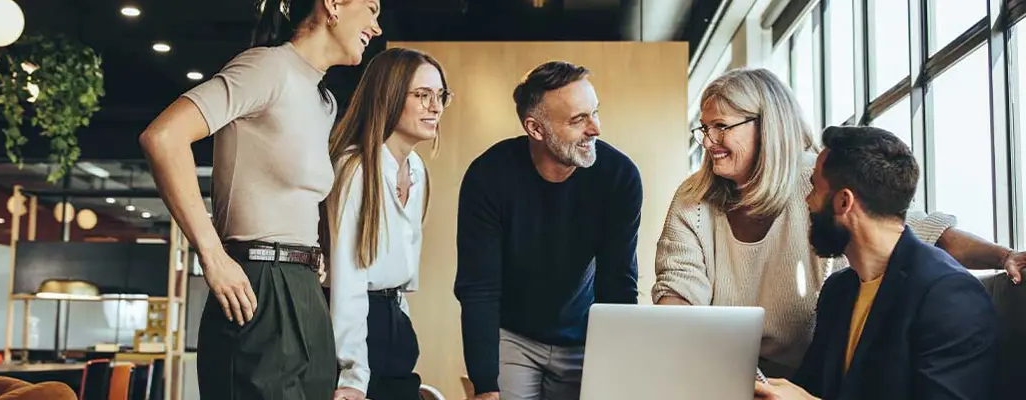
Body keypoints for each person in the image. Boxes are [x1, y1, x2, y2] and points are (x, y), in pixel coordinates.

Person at [653, 67, 1022, 379]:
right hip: (723, 371)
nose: (708, 141)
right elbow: (678, 292)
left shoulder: (816, 181)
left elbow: (916, 231)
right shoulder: (694, 198)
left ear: (766, 126)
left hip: (814, 376)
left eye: (720, 127)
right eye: (703, 128)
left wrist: (1004, 255)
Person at [137, 0, 382, 398]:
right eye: (371, 8)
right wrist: (213, 256)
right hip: (257, 285)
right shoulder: (267, 67)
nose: (376, 25)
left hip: (305, 288)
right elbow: (163, 138)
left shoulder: (325, 102)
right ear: (333, 5)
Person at [753, 125, 998, 400]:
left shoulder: (949, 296)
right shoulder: (839, 291)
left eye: (814, 188)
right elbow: (812, 389)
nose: (807, 201)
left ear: (844, 201)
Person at [454, 61, 644, 400]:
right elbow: (478, 288)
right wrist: (485, 385)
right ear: (536, 129)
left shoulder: (620, 177)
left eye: (595, 112)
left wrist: (619, 372)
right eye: (578, 119)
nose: (596, 128)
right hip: (513, 334)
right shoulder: (488, 176)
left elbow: (619, 283)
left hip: (587, 334)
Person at [324, 47, 451, 400]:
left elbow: (401, 272)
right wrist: (353, 374)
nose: (435, 107)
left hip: (394, 321)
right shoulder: (356, 170)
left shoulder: (417, 171)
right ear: (390, 97)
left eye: (440, 96)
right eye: (423, 95)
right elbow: (348, 280)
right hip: (355, 329)